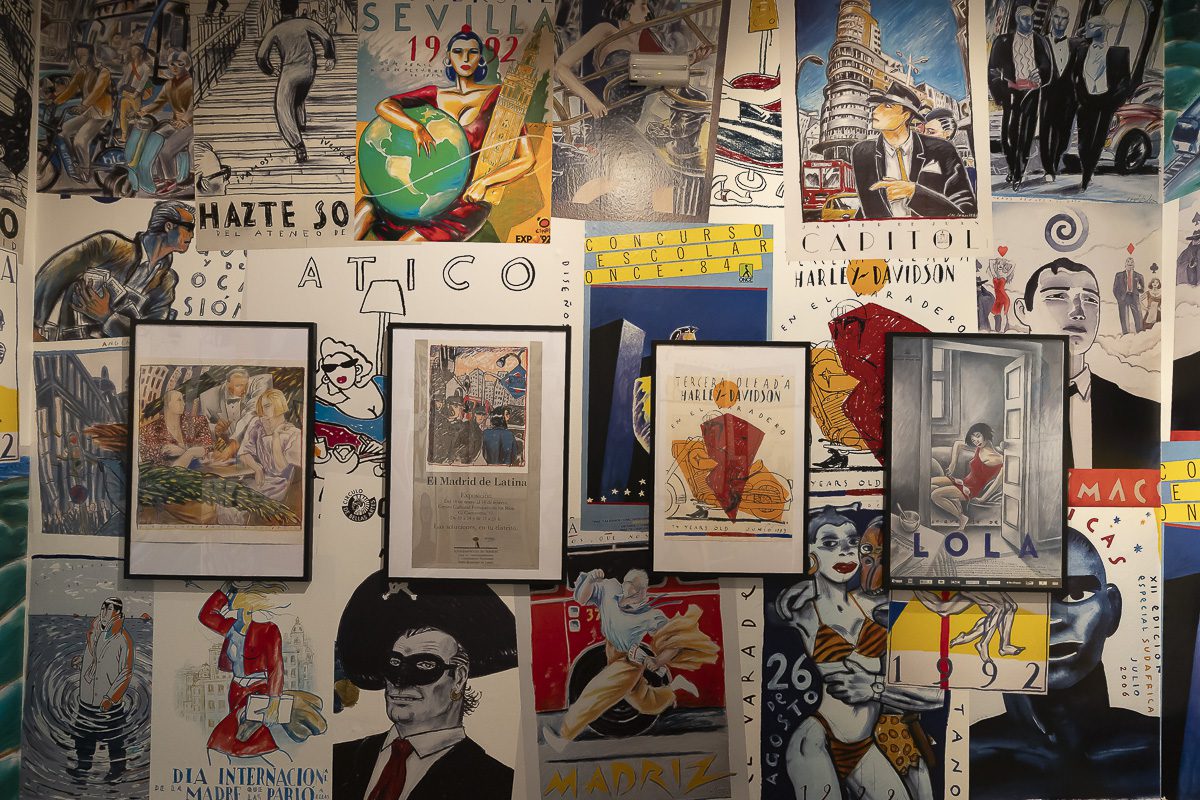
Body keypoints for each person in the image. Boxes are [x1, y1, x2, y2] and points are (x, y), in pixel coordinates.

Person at [969, 528, 1158, 800]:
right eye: (1022, 601)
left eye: (1076, 594)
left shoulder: (1163, 747)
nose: (1051, 620)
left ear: (1113, 608)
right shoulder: (965, 757)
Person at [777, 507, 942, 800]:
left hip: (863, 745)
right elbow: (768, 604)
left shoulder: (871, 606)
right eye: (830, 543)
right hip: (818, 738)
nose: (844, 551)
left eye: (851, 542)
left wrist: (875, 687)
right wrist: (799, 584)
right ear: (810, 554)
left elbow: (936, 691)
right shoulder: (802, 610)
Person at [333, 574, 516, 800]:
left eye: (425, 665)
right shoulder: (338, 760)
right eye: (394, 663)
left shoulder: (498, 785)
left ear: (459, 678)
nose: (400, 681)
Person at [355, 25, 537, 241]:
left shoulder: (502, 98)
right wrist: (416, 127)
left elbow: (527, 159)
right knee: (366, 209)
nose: (465, 58)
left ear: (480, 60)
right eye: (458, 51)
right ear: (448, 58)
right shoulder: (435, 94)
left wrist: (485, 183)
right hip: (423, 194)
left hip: (465, 202)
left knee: (408, 244)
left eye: (472, 52)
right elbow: (384, 106)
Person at [542, 568, 714, 748]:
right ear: (625, 585)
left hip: (629, 661)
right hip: (611, 653)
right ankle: (675, 687)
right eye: (633, 586)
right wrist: (591, 579)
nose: (639, 593)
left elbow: (675, 642)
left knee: (595, 692)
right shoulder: (609, 589)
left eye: (642, 589)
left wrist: (657, 661)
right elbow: (582, 598)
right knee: (645, 702)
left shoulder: (651, 615)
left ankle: (564, 738)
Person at [1013, 257, 1159, 468]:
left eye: (1090, 300)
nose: (1078, 312)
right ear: (1022, 311)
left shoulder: (1140, 413)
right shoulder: (1006, 402)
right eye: (1058, 296)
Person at [33, 201, 195, 340]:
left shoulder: (166, 281)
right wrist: (32, 326)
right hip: (69, 344)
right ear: (168, 226)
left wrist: (107, 317)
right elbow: (54, 273)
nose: (192, 235)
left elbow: (151, 335)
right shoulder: (108, 246)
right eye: (189, 227)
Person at [849, 81, 976, 220]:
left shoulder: (942, 150)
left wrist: (915, 193)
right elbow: (870, 208)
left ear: (906, 115)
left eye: (888, 106)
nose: (876, 111)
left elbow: (967, 211)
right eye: (878, 105)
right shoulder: (862, 152)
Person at [256, 0, 335, 164]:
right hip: (309, 70)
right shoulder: (305, 23)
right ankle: (301, 123)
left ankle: (298, 145)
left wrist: (269, 70)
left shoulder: (276, 30)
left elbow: (261, 55)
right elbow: (326, 37)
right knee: (298, 97)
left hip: (290, 71)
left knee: (283, 106)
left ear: (280, 9)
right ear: (296, 8)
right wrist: (330, 56)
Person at [988, 5, 1053, 191]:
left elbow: (1047, 67)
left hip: (1031, 92)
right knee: (1008, 136)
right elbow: (992, 70)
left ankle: (1018, 173)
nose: (1029, 22)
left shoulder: (1040, 41)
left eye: (1031, 18)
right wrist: (1001, 92)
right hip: (1011, 92)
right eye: (1025, 18)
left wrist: (1041, 74)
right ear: (1017, 19)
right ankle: (1012, 167)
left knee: (1026, 135)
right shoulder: (1002, 41)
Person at [70, 597, 133, 781]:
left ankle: (118, 770)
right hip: (86, 699)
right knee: (83, 737)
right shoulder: (94, 631)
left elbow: (126, 672)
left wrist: (111, 698)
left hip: (108, 703)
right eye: (103, 608)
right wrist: (81, 661)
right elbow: (95, 657)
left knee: (115, 739)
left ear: (118, 613)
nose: (104, 612)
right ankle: (83, 767)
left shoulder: (123, 639)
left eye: (109, 609)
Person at [1070, 16, 1131, 191]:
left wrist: (1112, 104)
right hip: (1086, 101)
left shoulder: (1119, 53)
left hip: (1105, 102)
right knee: (1083, 142)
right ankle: (1086, 169)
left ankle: (1087, 175)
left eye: (1091, 26)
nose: (1086, 28)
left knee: (1097, 141)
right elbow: (1075, 76)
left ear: (1102, 29)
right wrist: (1080, 97)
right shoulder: (1081, 50)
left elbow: (1125, 82)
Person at [138, 49, 194, 192]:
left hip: (190, 125)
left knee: (166, 151)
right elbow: (158, 102)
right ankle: (161, 177)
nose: (175, 67)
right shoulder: (169, 84)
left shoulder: (191, 83)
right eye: (172, 64)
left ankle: (171, 180)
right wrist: (144, 111)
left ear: (187, 65)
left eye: (180, 64)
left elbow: (193, 106)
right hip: (174, 122)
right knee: (155, 140)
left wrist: (185, 121)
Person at [55, 43, 113, 182]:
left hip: (101, 114)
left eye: (83, 55)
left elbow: (97, 91)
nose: (79, 58)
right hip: (89, 111)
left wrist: (83, 106)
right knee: (64, 129)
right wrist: (55, 102)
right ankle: (75, 160)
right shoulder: (82, 72)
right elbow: (70, 89)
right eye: (77, 55)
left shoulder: (103, 72)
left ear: (91, 56)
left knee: (80, 141)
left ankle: (85, 173)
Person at [930, 422, 1002, 529]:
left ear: (986, 434)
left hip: (970, 490)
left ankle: (961, 517)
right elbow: (958, 444)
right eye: (973, 439)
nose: (976, 441)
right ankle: (955, 500)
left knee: (935, 495)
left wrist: (982, 498)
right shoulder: (980, 448)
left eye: (978, 436)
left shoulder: (999, 459)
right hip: (962, 482)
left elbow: (997, 482)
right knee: (929, 483)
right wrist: (953, 464)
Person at [239, 389, 304, 503]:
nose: (263, 411)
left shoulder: (294, 434)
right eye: (262, 407)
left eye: (267, 406)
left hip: (278, 487)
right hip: (259, 480)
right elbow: (243, 452)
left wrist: (276, 437)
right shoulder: (257, 426)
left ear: (278, 405)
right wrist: (257, 469)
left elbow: (281, 469)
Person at [1038, 5, 1077, 183]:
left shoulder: (1074, 44)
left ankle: (1055, 160)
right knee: (1047, 131)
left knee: (1064, 134)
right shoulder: (1042, 42)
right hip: (1048, 93)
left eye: (1064, 18)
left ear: (1068, 22)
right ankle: (1049, 168)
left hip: (1068, 97)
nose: (1060, 22)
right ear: (1051, 19)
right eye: (1057, 17)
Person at [200, 368, 273, 452]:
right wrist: (216, 430)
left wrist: (234, 443)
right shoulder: (207, 398)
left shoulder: (259, 384)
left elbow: (252, 413)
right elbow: (202, 427)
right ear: (227, 384)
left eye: (245, 385)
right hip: (223, 445)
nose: (244, 390)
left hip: (249, 447)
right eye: (239, 386)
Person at [138, 389, 213, 467]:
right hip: (169, 472)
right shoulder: (150, 430)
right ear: (168, 404)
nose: (183, 403)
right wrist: (190, 452)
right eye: (179, 400)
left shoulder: (197, 422)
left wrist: (188, 452)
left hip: (199, 468)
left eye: (183, 400)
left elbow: (208, 447)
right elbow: (150, 462)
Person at [117, 42, 153, 143]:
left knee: (137, 115)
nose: (132, 52)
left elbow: (142, 83)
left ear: (141, 52)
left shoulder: (146, 68)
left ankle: (136, 137)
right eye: (132, 50)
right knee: (123, 115)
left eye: (135, 50)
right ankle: (124, 136)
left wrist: (136, 94)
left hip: (135, 95)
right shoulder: (129, 65)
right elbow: (124, 78)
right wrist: (118, 88)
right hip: (125, 92)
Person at [1112, 256, 1145, 335]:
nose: (1130, 264)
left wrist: (1139, 288)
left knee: (1138, 315)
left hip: (1134, 297)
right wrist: (1119, 299)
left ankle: (1140, 333)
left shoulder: (1139, 276)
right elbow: (1115, 289)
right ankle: (1126, 334)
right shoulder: (1119, 275)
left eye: (1132, 262)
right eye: (1128, 262)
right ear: (1125, 264)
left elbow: (1142, 289)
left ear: (1134, 265)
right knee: (1124, 316)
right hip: (1123, 298)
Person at [989, 256, 1015, 332]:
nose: (1000, 266)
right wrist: (998, 260)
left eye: (1002, 264)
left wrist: (1005, 261)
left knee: (1003, 316)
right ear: (996, 265)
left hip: (1004, 298)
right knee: (991, 315)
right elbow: (990, 262)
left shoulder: (1005, 275)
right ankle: (993, 330)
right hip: (998, 300)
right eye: (999, 264)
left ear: (1004, 266)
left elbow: (1013, 264)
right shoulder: (994, 274)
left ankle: (1002, 331)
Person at [976, 260, 995, 332]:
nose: (979, 287)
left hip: (983, 324)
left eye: (980, 285)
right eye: (978, 285)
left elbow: (991, 298)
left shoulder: (983, 294)